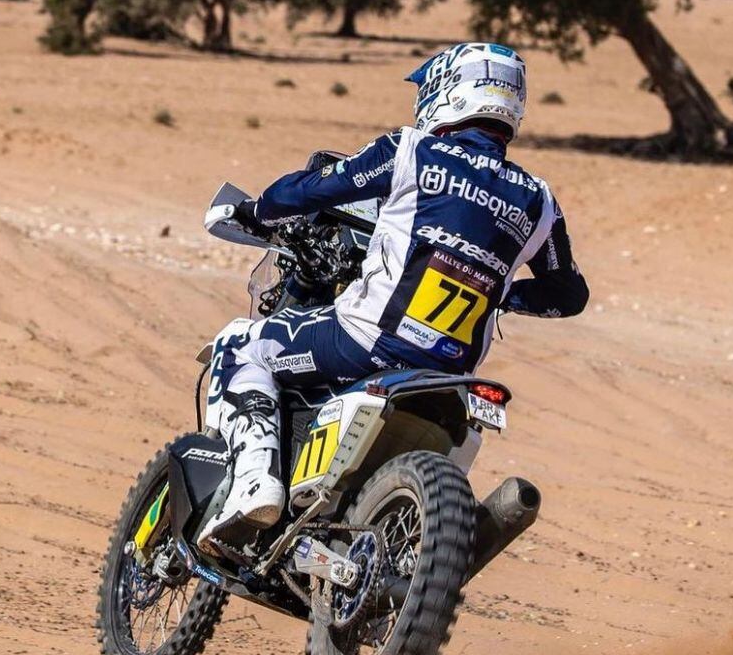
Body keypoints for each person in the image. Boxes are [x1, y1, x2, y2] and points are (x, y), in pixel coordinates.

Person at [197, 42, 588, 554]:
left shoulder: (410, 151)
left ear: (448, 89)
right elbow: (569, 294)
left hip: (363, 341)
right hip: (454, 375)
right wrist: (503, 293)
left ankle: (255, 486)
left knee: (241, 345)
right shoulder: (539, 200)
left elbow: (311, 191)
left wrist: (258, 212)